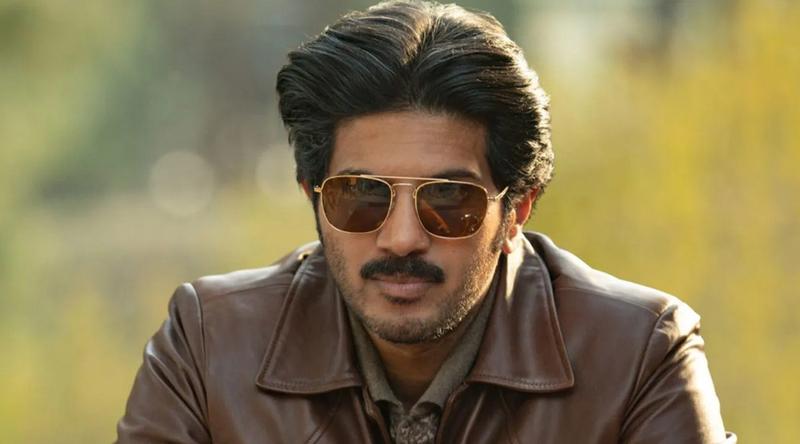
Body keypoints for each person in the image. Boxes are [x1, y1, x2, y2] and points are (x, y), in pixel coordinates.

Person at [117, 1, 736, 442]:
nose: (402, 238)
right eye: (361, 197)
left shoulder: (638, 355)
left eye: (448, 201)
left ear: (516, 209)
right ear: (314, 198)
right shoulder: (209, 346)